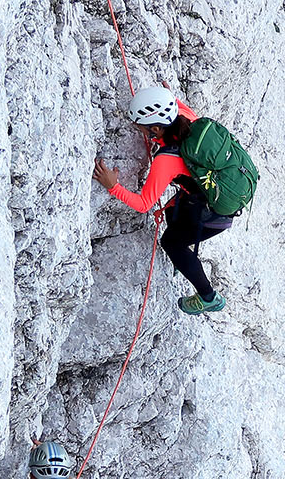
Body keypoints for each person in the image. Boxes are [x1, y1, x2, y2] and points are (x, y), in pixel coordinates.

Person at [92, 84, 259, 316]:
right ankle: (185, 258)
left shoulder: (166, 160)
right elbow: (173, 102)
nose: (139, 129)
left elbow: (143, 205)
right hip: (217, 193)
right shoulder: (186, 116)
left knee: (172, 243)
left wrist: (113, 187)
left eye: (141, 127)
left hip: (215, 214)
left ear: (156, 129)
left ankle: (208, 297)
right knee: (172, 215)